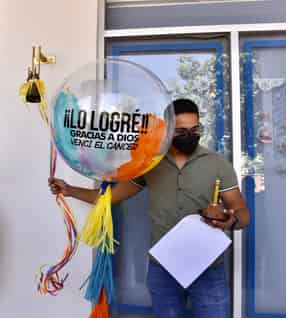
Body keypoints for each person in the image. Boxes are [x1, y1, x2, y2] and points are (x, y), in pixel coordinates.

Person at [49, 99, 250, 318]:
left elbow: (242, 213)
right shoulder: (150, 164)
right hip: (163, 268)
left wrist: (227, 220)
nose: (190, 136)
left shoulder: (218, 164)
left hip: (208, 268)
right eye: (182, 132)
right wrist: (70, 190)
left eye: (195, 130)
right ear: (167, 129)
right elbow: (110, 197)